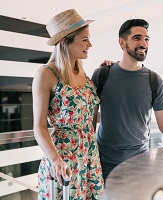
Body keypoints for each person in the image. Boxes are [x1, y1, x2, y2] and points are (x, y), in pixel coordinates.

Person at [91, 19, 163, 181]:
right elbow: (89, 119)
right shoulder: (102, 75)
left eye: (146, 39)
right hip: (104, 162)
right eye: (137, 38)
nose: (144, 43)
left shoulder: (154, 80)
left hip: (139, 162)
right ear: (122, 42)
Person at [32, 9, 104, 199]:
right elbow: (39, 127)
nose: (90, 44)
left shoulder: (83, 74)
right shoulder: (45, 75)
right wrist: (55, 159)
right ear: (65, 42)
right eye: (84, 39)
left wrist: (107, 70)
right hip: (63, 157)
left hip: (89, 155)